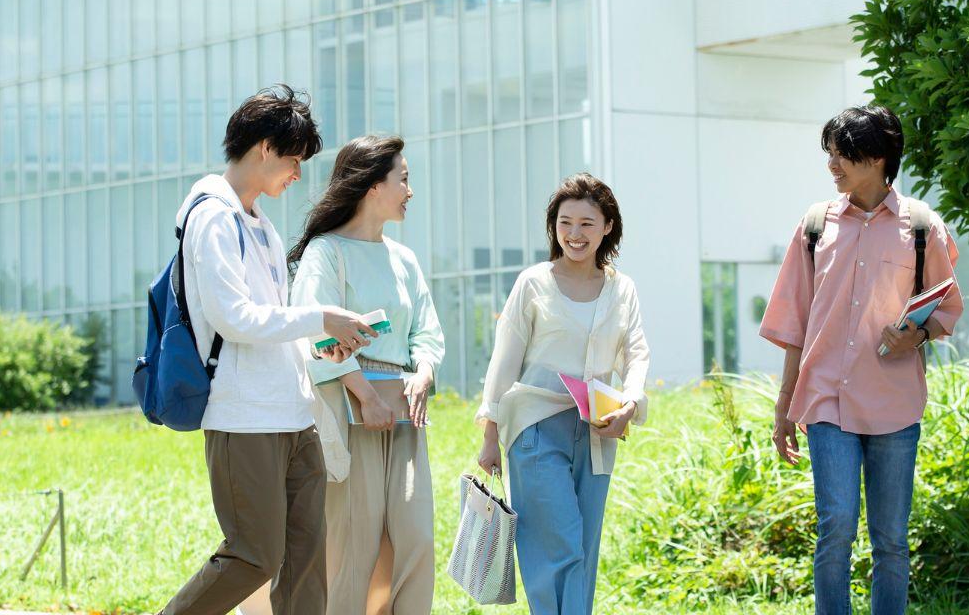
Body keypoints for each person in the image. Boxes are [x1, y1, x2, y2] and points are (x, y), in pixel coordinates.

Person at [159, 85, 377, 615]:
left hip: (293, 414)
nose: (298, 175)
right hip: (244, 416)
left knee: (306, 563)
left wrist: (320, 345)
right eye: (294, 160)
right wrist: (320, 317)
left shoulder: (261, 225)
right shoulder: (213, 217)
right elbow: (233, 317)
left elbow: (273, 319)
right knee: (254, 556)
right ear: (263, 148)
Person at [760, 105, 964, 615]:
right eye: (829, 154)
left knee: (891, 539)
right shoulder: (815, 226)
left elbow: (947, 306)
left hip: (894, 402)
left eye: (842, 155)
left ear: (876, 158)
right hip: (827, 399)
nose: (832, 165)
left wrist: (916, 336)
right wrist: (784, 406)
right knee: (836, 528)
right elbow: (794, 322)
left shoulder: (922, 227)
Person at [282, 135, 445, 615]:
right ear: (374, 185)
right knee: (353, 544)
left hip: (405, 415)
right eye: (403, 179)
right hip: (349, 410)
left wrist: (424, 371)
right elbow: (313, 330)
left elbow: (426, 330)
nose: (410, 191)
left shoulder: (404, 259)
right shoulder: (326, 252)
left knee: (416, 538)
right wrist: (364, 396)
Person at [476, 172, 650, 615]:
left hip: (597, 432)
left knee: (584, 553)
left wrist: (630, 403)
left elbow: (636, 352)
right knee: (559, 544)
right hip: (536, 428)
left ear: (607, 227)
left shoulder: (622, 289)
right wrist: (490, 435)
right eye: (565, 222)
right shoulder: (533, 283)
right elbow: (504, 361)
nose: (574, 234)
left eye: (587, 223)